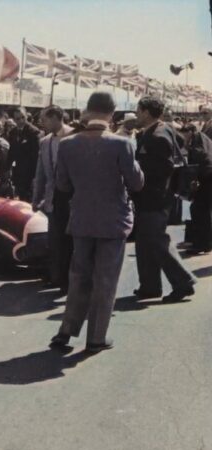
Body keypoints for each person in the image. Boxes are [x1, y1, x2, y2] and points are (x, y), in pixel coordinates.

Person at [49, 92, 144, 353]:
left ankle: (66, 330)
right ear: (112, 114)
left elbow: (62, 185)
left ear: (87, 111)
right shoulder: (121, 144)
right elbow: (136, 183)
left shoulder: (67, 145)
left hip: (81, 219)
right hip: (113, 221)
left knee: (78, 276)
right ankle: (96, 338)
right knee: (105, 279)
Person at [132, 96, 197, 303]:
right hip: (154, 197)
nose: (136, 115)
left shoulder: (158, 136)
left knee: (156, 240)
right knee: (144, 242)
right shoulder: (163, 129)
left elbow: (164, 168)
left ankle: (183, 282)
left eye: (138, 111)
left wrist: (140, 180)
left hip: (154, 197)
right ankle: (150, 286)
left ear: (146, 112)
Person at [32, 105, 74, 291]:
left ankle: (71, 280)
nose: (42, 123)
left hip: (73, 197)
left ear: (57, 117)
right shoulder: (45, 141)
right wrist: (36, 198)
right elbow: (40, 173)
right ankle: (58, 277)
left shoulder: (75, 136)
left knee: (72, 240)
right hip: (53, 197)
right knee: (55, 239)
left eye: (45, 119)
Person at [179, 123, 212, 254]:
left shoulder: (198, 140)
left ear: (191, 131)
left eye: (185, 133)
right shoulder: (202, 138)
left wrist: (195, 177)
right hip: (206, 177)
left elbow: (201, 157)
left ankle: (202, 244)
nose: (184, 136)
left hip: (207, 177)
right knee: (201, 210)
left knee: (199, 210)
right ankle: (203, 242)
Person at [8, 107, 41, 202]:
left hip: (30, 173)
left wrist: (35, 177)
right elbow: (11, 152)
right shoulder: (13, 132)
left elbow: (36, 156)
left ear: (26, 116)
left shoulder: (33, 132)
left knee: (30, 200)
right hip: (18, 172)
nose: (21, 120)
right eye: (18, 118)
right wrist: (7, 168)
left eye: (23, 117)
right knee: (21, 199)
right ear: (14, 120)